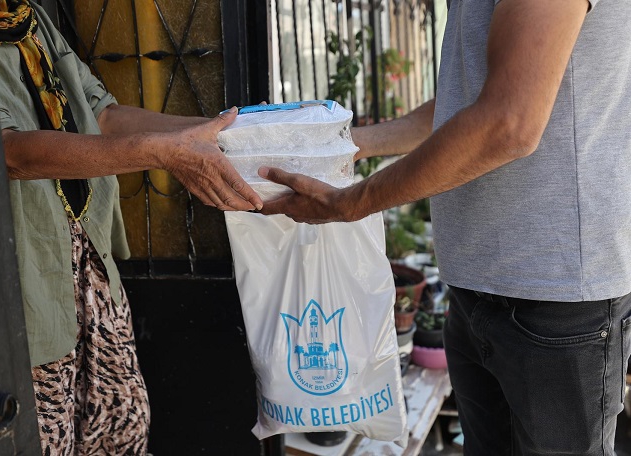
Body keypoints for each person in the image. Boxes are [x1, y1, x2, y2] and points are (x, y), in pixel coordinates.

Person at [259, 0, 631, 454]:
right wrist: (346, 146)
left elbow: (508, 122)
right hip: (477, 288)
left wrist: (351, 202)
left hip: (556, 298)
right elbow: (467, 103)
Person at [0, 0, 262, 454]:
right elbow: (10, 152)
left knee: (121, 427)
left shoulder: (27, 18)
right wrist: (162, 153)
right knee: (37, 441)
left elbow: (102, 112)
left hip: (85, 265)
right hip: (14, 277)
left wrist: (215, 134)